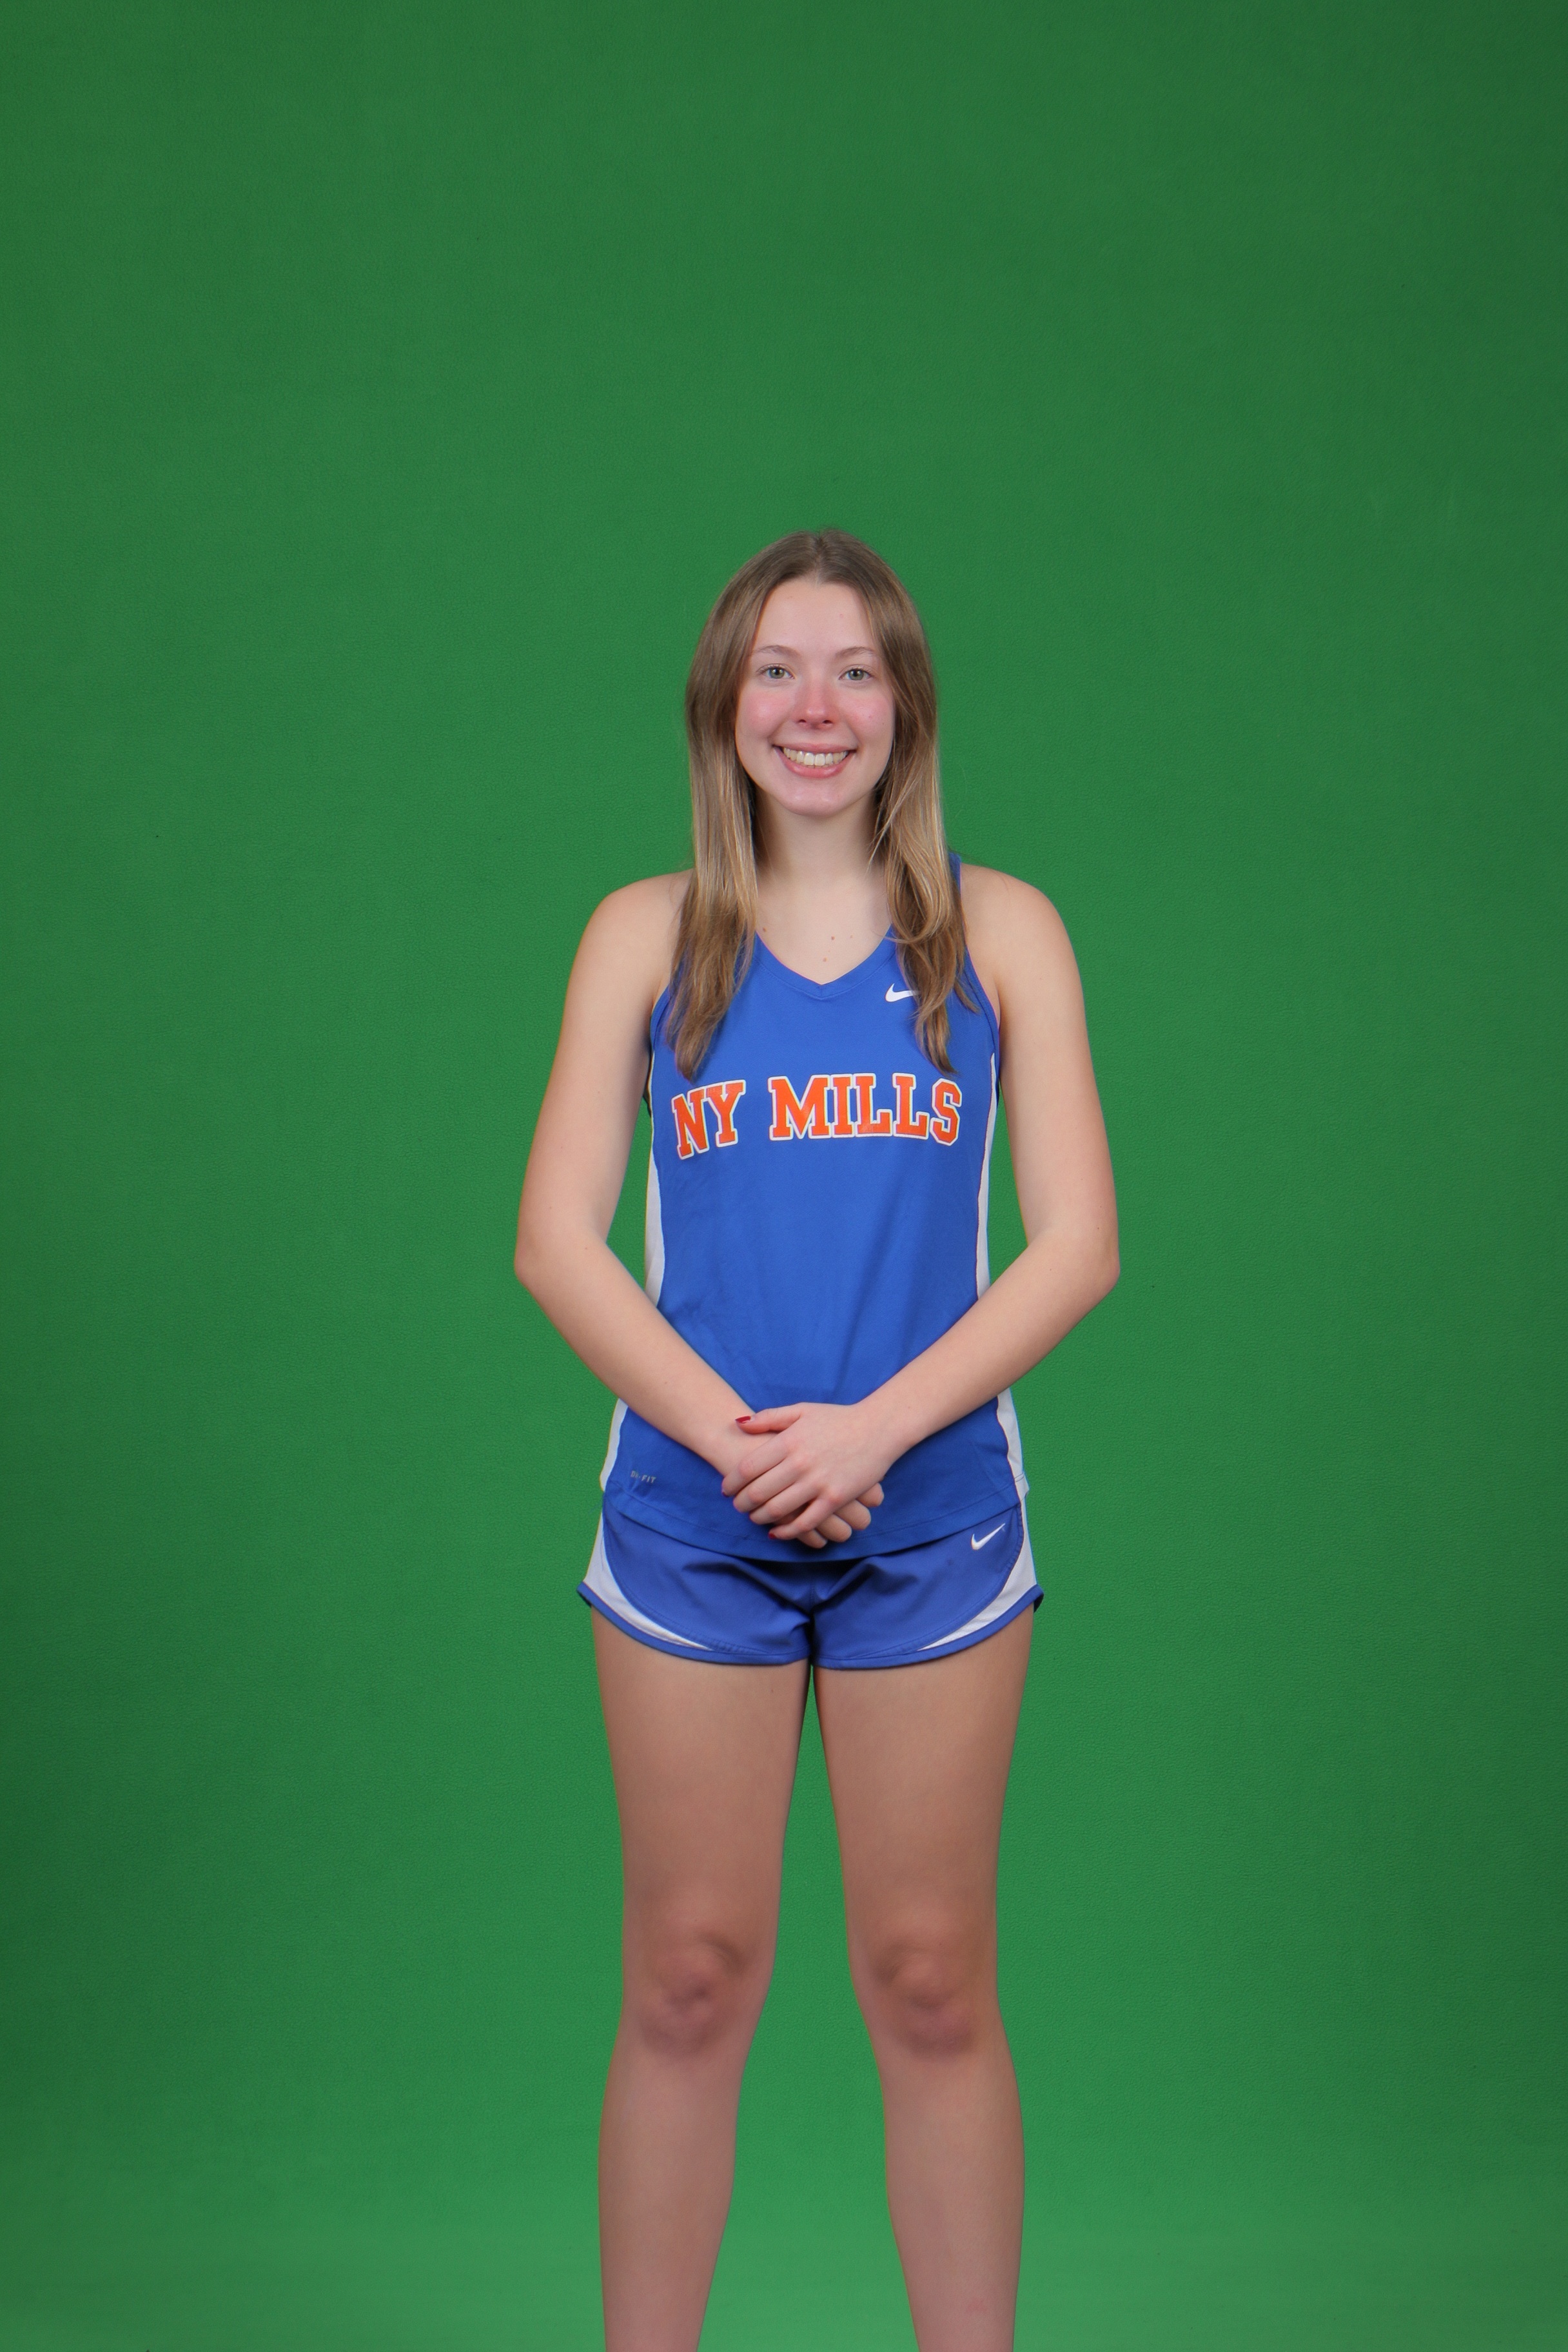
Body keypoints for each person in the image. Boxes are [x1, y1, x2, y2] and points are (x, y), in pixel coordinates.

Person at [515, 529, 1118, 2352]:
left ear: (906, 705)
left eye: (856, 670)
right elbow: (556, 1239)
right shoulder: (644, 935)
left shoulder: (1002, 935)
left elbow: (1078, 1243)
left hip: (929, 1518)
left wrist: (871, 1433)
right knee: (688, 1980)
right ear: (724, 705)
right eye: (778, 669)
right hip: (692, 1520)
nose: (816, 707)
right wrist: (741, 1443)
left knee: (930, 1982)